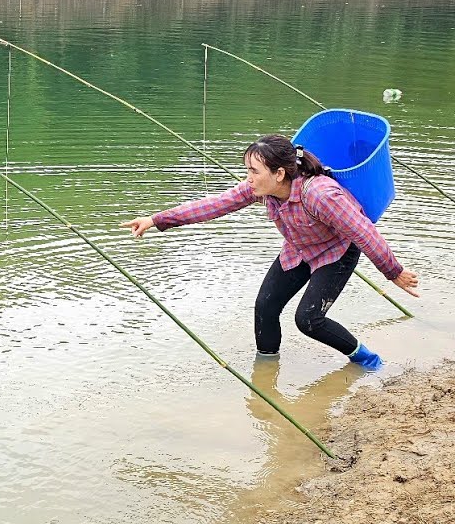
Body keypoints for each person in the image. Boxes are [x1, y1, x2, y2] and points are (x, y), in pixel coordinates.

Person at [120, 134, 420, 371]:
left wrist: (393, 271)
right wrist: (156, 220)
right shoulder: (260, 189)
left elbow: (363, 231)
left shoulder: (321, 194)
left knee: (309, 320)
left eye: (253, 171)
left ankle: (366, 358)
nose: (248, 178)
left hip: (336, 252)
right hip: (299, 249)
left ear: (279, 173)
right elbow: (214, 205)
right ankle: (266, 369)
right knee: (265, 306)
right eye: (247, 170)